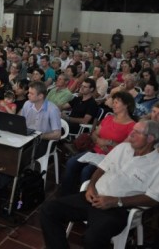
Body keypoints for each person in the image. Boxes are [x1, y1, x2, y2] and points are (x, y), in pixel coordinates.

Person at [41, 120, 159, 249]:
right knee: (48, 210)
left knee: (92, 238)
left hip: (118, 209)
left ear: (150, 138)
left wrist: (117, 201)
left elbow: (153, 199)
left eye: (137, 132)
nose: (131, 134)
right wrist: (91, 186)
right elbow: (101, 168)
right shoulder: (122, 148)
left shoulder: (156, 165)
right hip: (92, 197)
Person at [61, 91, 136, 195]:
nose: (113, 105)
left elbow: (126, 149)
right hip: (95, 151)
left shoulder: (132, 126)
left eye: (116, 102)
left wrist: (109, 143)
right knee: (71, 163)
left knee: (86, 171)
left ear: (127, 105)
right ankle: (66, 194)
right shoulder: (109, 118)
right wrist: (99, 141)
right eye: (113, 102)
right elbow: (94, 134)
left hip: (111, 158)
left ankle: (84, 199)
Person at [21, 81, 61, 158]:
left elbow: (57, 135)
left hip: (44, 140)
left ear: (40, 96)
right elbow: (21, 121)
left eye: (31, 93)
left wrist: (38, 136)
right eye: (29, 92)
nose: (28, 95)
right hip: (28, 137)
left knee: (24, 156)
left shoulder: (52, 109)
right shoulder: (27, 104)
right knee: (11, 148)